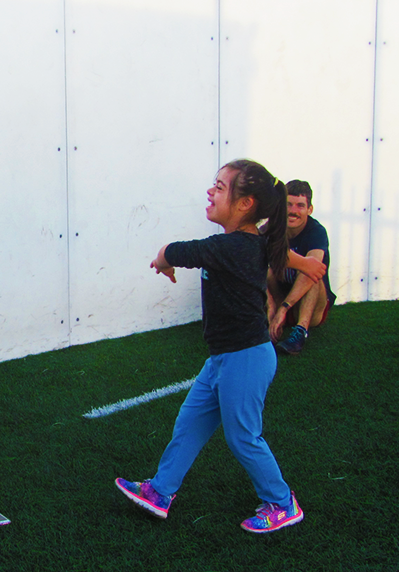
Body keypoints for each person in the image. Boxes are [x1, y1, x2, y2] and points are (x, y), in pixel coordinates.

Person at [115, 160, 325, 534]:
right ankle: (160, 491)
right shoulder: (252, 243)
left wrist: (161, 259)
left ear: (245, 204)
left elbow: (177, 251)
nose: (211, 191)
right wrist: (306, 264)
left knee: (243, 436)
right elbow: (277, 253)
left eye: (220, 186)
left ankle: (281, 502)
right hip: (224, 357)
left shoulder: (228, 247)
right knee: (190, 422)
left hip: (245, 358)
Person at [267, 180, 336, 355]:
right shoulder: (272, 228)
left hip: (308, 306)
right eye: (288, 204)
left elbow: (313, 269)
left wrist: (284, 308)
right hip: (280, 295)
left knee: (312, 269)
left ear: (309, 209)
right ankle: (269, 317)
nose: (293, 211)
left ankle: (300, 331)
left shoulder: (316, 231)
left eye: (300, 206)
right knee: (261, 262)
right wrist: (271, 305)